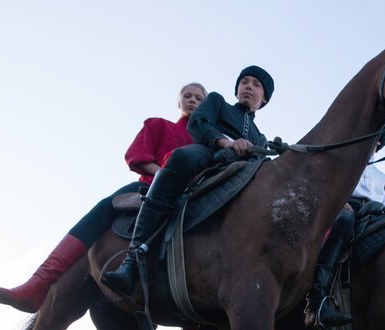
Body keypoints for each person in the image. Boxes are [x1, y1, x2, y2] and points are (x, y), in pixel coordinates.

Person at [0, 82, 208, 313]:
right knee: (103, 208)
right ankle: (39, 283)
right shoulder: (159, 125)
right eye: (187, 96)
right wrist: (166, 176)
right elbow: (137, 155)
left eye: (198, 98)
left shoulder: (206, 143)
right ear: (178, 101)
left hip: (192, 197)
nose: (192, 100)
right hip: (149, 187)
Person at [101, 66, 275, 296]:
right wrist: (226, 142)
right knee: (181, 157)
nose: (249, 87)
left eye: (256, 84)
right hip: (208, 154)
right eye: (245, 82)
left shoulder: (260, 138)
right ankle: (133, 258)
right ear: (237, 90)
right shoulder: (217, 102)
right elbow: (198, 123)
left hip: (237, 171)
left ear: (264, 99)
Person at [304, 129, 385, 328]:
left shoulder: (382, 178)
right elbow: (325, 185)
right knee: (345, 221)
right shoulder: (343, 161)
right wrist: (339, 201)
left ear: (379, 143)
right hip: (343, 206)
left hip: (371, 212)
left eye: (376, 138)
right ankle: (317, 301)